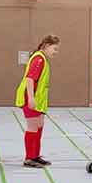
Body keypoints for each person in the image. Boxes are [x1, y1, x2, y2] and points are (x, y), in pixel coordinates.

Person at [16, 34, 60, 168]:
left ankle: (35, 155)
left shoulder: (43, 59)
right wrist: (31, 98)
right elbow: (30, 79)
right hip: (30, 97)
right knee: (32, 127)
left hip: (38, 99)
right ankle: (29, 158)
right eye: (55, 49)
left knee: (39, 125)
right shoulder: (39, 59)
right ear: (46, 46)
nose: (56, 52)